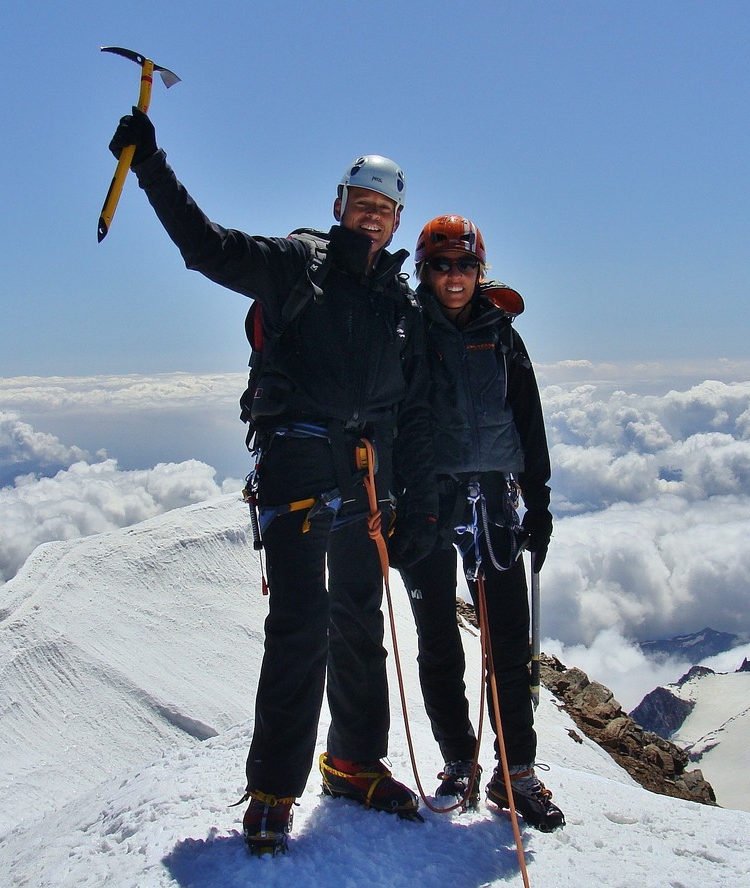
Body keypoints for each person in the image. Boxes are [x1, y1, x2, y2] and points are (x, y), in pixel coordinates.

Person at [108, 108, 439, 855]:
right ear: (339, 205)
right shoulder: (296, 262)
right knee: (299, 628)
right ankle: (272, 789)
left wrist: (414, 502)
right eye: (363, 203)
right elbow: (206, 249)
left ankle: (354, 763)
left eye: (385, 210)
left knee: (359, 624)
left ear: (396, 221)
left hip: (366, 480)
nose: (373, 217)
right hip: (297, 467)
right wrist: (150, 164)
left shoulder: (399, 301)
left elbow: (412, 409)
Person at [398, 214, 564, 831]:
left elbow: (529, 417)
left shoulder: (501, 334)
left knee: (508, 640)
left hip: (494, 494)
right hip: (427, 498)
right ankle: (458, 760)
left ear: (480, 270)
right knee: (439, 636)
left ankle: (514, 770)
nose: (454, 277)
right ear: (425, 271)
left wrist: (538, 501)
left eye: (465, 266)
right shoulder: (405, 329)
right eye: (441, 266)